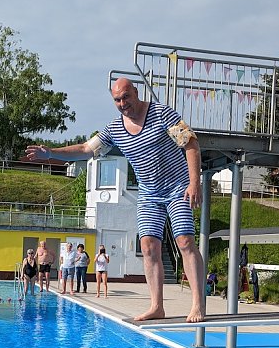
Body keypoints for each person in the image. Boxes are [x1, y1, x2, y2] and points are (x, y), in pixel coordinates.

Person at [25, 78, 206, 322]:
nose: (122, 103)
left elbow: (191, 143)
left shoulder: (162, 114)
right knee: (148, 246)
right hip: (149, 194)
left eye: (126, 97)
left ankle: (197, 305)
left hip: (177, 188)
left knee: (184, 241)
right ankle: (157, 306)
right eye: (117, 100)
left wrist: (195, 182)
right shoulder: (115, 129)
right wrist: (51, 153)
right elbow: (87, 148)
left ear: (136, 93)